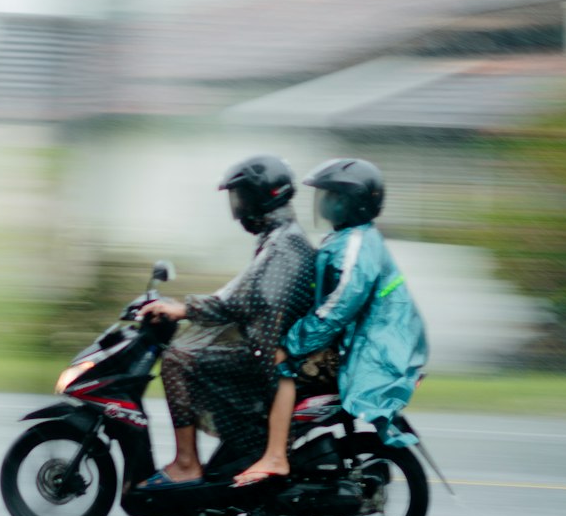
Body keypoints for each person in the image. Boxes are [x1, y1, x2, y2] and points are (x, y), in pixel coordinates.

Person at [234, 156, 429, 487]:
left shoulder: (355, 246)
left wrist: (289, 345)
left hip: (373, 353)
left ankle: (276, 457)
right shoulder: (350, 238)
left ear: (352, 203)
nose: (323, 202)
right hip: (368, 343)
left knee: (281, 367)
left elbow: (336, 309)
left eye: (332, 196)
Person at [137, 154, 316, 486]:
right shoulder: (280, 236)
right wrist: (188, 306)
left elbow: (239, 301)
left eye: (241, 197)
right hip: (269, 352)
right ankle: (229, 457)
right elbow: (240, 293)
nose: (237, 208)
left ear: (263, 196)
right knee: (198, 352)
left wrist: (184, 309)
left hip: (267, 362)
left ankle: (187, 464)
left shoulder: (282, 245)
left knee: (177, 360)